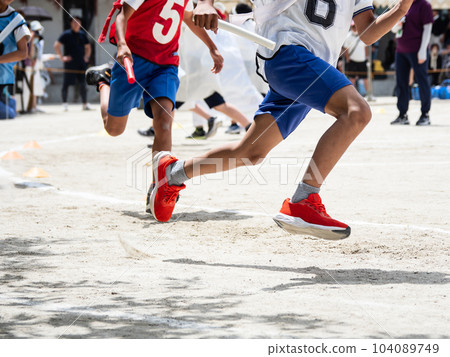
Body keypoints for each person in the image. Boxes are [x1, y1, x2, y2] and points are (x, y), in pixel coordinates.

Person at [147, 0, 415, 240]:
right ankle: (305, 198)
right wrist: (205, 3)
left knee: (250, 152)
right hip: (288, 54)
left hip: (310, 66)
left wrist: (401, 9)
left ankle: (172, 173)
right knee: (357, 112)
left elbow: (366, 33)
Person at [85, 0, 223, 158]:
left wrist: (213, 47)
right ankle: (104, 81)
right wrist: (122, 45)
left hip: (166, 64)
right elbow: (122, 16)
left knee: (164, 122)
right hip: (134, 59)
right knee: (114, 129)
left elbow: (187, 18)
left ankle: (160, 180)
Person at [391, 0, 434, 126]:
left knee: (422, 81)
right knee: (401, 83)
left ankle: (425, 114)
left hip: (417, 50)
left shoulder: (424, 5)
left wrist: (422, 50)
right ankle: (402, 114)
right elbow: (394, 29)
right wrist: (397, 24)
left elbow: (427, 28)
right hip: (401, 50)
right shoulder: (400, 3)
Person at [54, 16, 92, 111]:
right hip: (70, 62)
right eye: (74, 22)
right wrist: (62, 57)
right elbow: (56, 45)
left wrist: (87, 57)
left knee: (83, 83)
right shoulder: (66, 34)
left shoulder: (83, 34)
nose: (76, 24)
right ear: (71, 23)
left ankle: (85, 103)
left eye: (78, 22)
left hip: (81, 63)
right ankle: (64, 104)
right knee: (66, 84)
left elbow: (88, 47)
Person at [0, 0, 30, 119]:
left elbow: (23, 53)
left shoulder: (16, 20)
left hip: (2, 76)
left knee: (6, 114)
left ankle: (9, 106)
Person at [343, 21, 369, 95]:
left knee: (366, 78)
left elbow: (365, 47)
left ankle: (368, 94)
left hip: (362, 61)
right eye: (353, 26)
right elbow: (346, 49)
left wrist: (367, 57)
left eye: (355, 26)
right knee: (352, 79)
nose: (354, 28)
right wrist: (348, 59)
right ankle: (352, 94)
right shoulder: (348, 36)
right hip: (352, 61)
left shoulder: (362, 35)